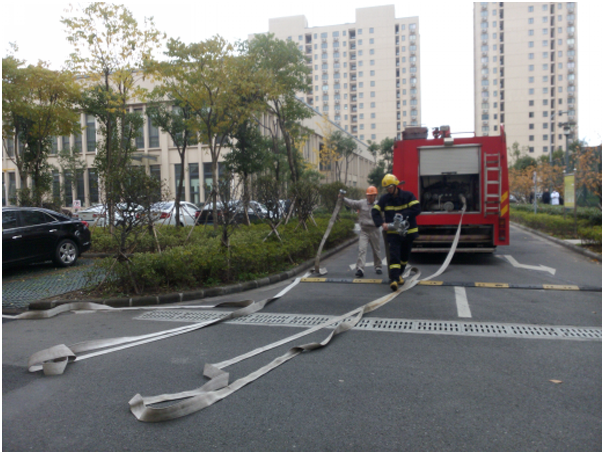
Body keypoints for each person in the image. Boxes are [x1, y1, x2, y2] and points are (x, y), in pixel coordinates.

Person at [372, 173, 421, 292]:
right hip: (393, 233)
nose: (388, 190)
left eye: (390, 187)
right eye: (386, 188)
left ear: (395, 185)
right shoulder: (385, 199)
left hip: (408, 232)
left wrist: (403, 214)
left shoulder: (408, 196)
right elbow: (375, 211)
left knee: (404, 257)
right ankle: (393, 280)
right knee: (394, 256)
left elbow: (417, 209)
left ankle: (399, 275)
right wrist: (382, 223)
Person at [340, 186, 382, 277]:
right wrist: (343, 199)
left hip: (374, 230)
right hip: (364, 230)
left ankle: (378, 267)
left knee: (376, 250)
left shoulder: (379, 205)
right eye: (368, 195)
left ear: (375, 195)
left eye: (371, 195)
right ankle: (360, 269)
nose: (369, 197)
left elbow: (384, 214)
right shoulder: (362, 203)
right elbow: (352, 203)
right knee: (362, 250)